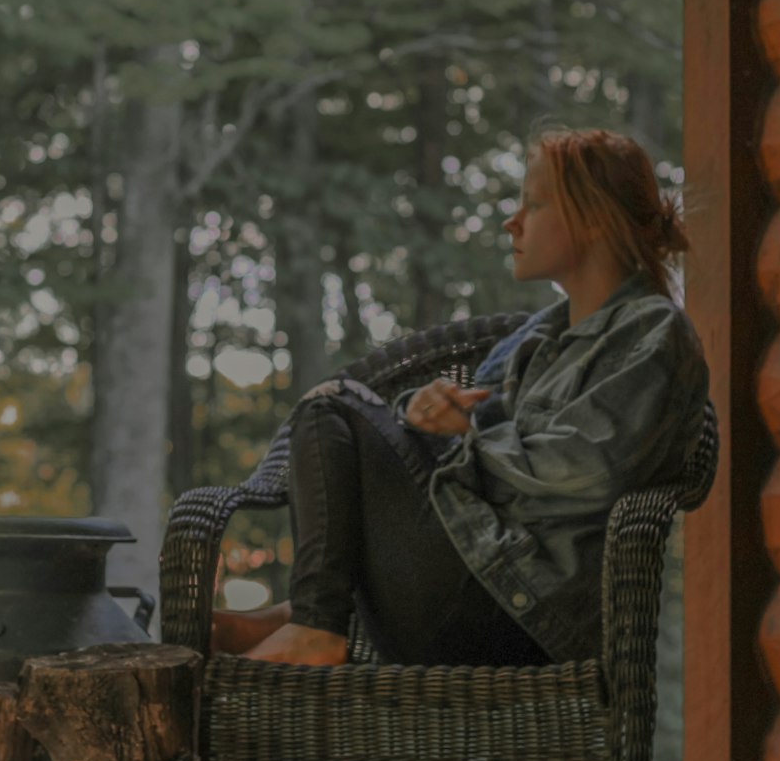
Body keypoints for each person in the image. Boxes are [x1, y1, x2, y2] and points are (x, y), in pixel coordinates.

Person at [210, 123, 710, 669]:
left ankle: (316, 626)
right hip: (472, 577)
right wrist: (426, 416)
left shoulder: (654, 333)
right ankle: (313, 613)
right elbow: (466, 444)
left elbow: (590, 469)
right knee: (331, 413)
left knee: (331, 406)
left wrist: (468, 437)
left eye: (534, 205)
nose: (511, 221)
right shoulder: (538, 339)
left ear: (592, 219)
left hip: (517, 614)